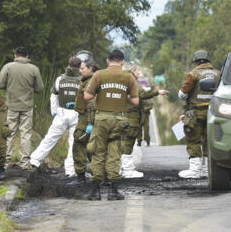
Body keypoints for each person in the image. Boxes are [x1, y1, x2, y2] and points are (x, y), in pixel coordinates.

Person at [81, 49, 139, 201]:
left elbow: (87, 96)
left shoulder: (99, 75)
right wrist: (121, 96)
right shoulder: (128, 77)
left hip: (101, 119)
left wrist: (101, 94)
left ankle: (95, 192)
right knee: (114, 153)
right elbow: (135, 101)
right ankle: (113, 191)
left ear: (108, 61)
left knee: (98, 153)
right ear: (122, 62)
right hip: (119, 120)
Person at [29, 57, 82, 176]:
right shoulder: (82, 80)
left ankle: (35, 160)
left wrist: (54, 112)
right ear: (79, 67)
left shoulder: (60, 79)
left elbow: (54, 96)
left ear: (69, 65)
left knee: (50, 138)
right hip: (77, 113)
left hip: (61, 112)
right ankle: (70, 170)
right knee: (74, 143)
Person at [0, 46, 44, 170]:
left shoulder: (8, 67)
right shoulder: (34, 69)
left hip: (11, 106)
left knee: (8, 134)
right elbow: (39, 88)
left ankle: (4, 162)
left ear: (15, 55)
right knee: (25, 134)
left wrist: (10, 87)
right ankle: (24, 163)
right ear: (27, 56)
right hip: (27, 107)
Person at [178, 50, 220, 179]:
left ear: (196, 61)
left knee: (193, 139)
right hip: (214, 113)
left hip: (195, 113)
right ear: (208, 60)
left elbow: (183, 94)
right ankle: (208, 170)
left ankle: (195, 170)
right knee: (209, 141)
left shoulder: (193, 74)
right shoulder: (218, 74)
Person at [120, 66, 168, 178]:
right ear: (133, 72)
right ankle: (127, 170)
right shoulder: (132, 82)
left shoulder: (123, 81)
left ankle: (121, 168)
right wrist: (157, 92)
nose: (139, 73)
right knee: (128, 143)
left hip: (122, 115)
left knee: (122, 143)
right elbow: (142, 94)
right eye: (137, 71)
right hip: (131, 115)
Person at [69, 57, 99, 186]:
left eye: (82, 68)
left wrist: (90, 123)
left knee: (79, 145)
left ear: (90, 69)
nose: (80, 71)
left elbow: (91, 103)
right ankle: (98, 176)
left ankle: (82, 177)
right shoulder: (89, 80)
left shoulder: (89, 82)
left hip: (86, 119)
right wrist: (75, 104)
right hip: (86, 117)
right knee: (91, 147)